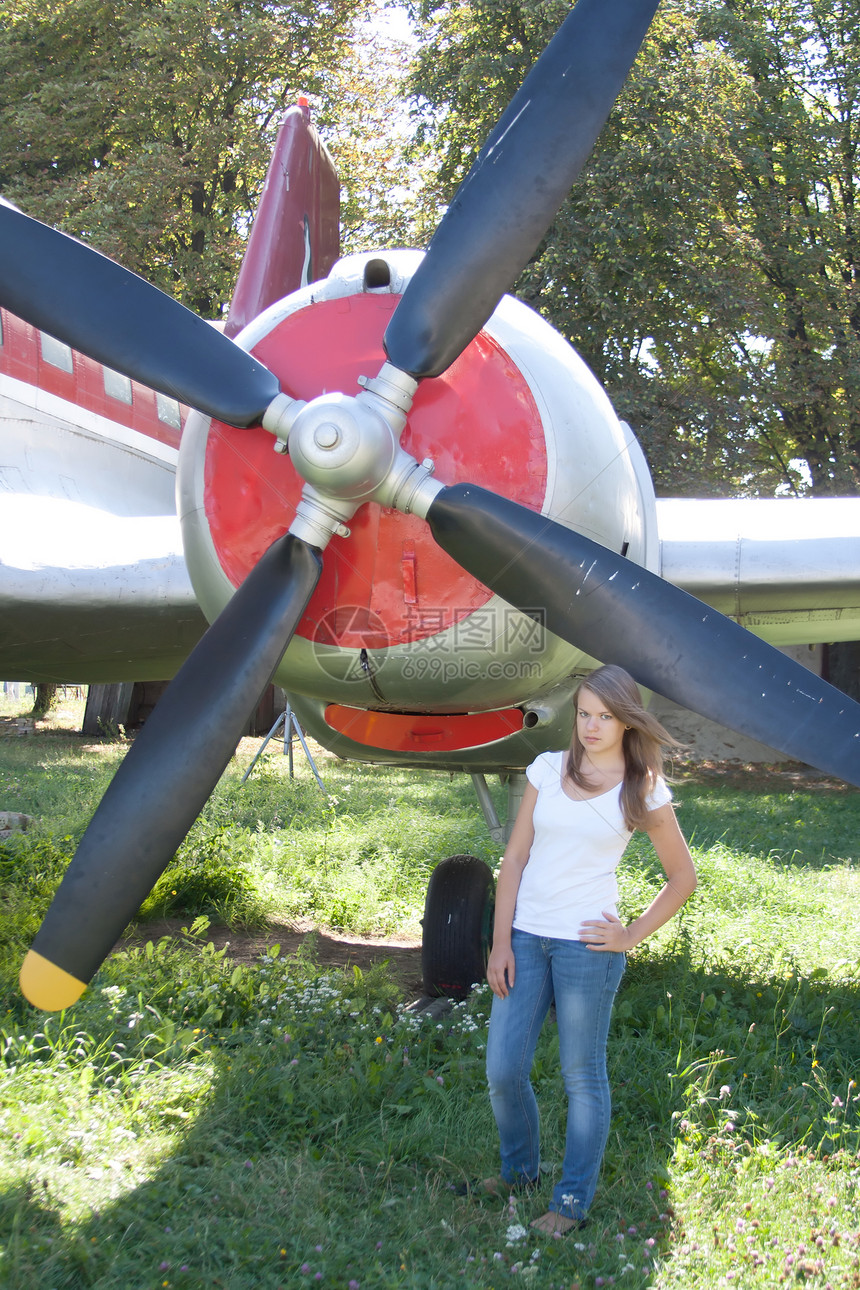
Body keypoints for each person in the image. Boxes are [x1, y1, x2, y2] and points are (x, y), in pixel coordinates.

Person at [480, 663, 697, 1236]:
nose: (592, 726)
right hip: (526, 937)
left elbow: (682, 878)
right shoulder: (547, 770)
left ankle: (571, 1201)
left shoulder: (641, 787)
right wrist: (500, 942)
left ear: (626, 721)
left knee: (582, 1077)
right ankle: (519, 1171)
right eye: (584, 714)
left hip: (586, 949)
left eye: (605, 716)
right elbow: (515, 858)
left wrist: (628, 935)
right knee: (503, 1069)